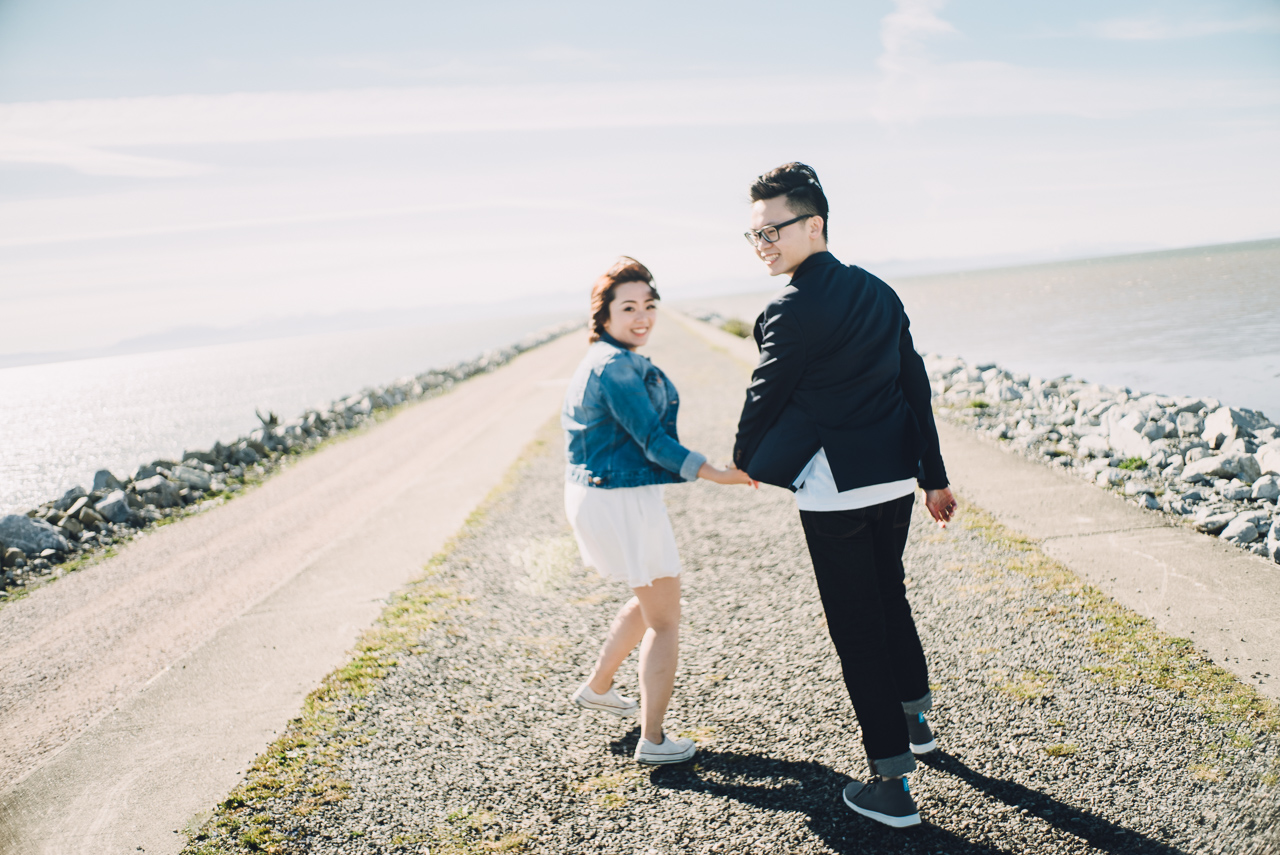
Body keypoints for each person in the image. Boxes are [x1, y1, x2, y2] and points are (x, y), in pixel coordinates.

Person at [731, 163, 957, 828]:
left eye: (772, 229)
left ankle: (892, 786)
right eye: (754, 235)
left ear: (814, 225)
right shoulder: (881, 292)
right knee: (891, 596)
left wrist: (747, 459)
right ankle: (917, 724)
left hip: (833, 491)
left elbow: (763, 395)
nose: (763, 243)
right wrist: (933, 475)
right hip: (894, 479)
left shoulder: (788, 310)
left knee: (856, 629)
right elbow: (914, 386)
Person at [563, 256, 753, 766]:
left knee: (648, 597)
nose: (642, 316)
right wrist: (715, 472)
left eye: (649, 305)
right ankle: (654, 739)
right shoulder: (614, 366)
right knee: (666, 620)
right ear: (602, 315)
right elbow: (650, 439)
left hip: (604, 494)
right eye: (628, 307)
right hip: (618, 498)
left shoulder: (605, 357)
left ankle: (600, 686)